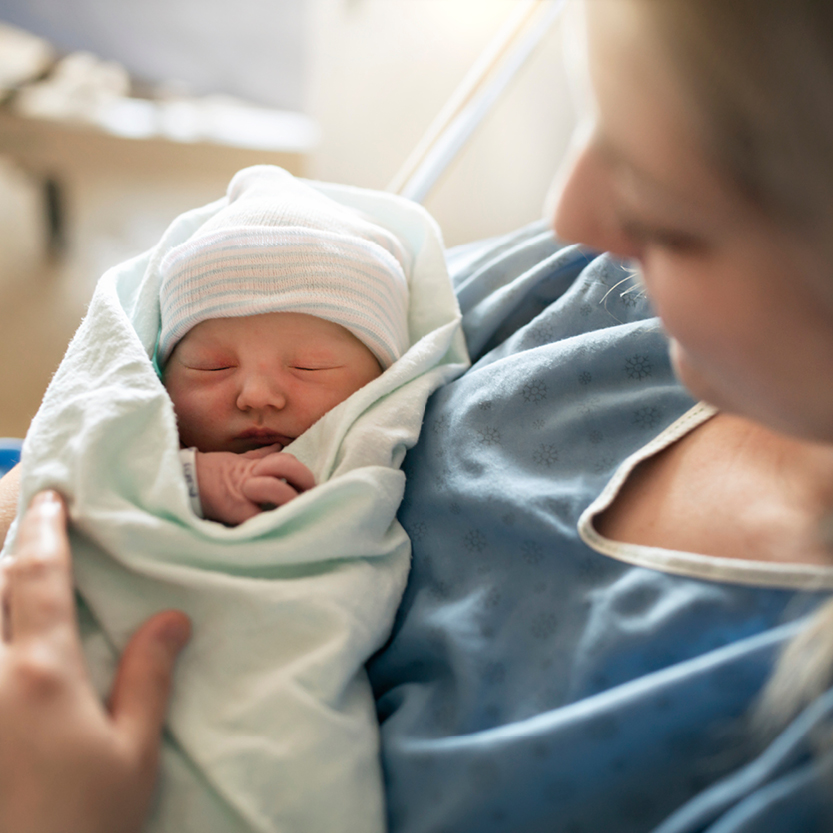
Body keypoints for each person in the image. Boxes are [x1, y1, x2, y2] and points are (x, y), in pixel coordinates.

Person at [2, 0, 833, 830]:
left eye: (666, 209)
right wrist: (77, 473)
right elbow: (117, 403)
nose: (570, 218)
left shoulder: (786, 767)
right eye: (594, 126)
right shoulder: (594, 293)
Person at [0, 164, 468, 833]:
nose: (255, 394)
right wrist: (198, 477)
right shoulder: (146, 433)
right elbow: (102, 470)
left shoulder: (374, 457)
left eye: (308, 367)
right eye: (211, 366)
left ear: (382, 385)